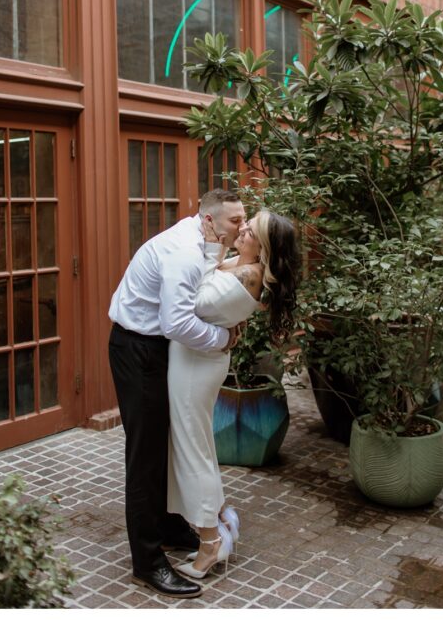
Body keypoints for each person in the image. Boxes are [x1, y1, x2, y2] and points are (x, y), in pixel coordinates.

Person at [108, 188, 246, 599]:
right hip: (138, 349)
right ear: (209, 220)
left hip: (159, 348)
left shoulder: (204, 241)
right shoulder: (183, 253)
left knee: (168, 445)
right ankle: (147, 562)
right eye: (235, 221)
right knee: (146, 455)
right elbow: (176, 323)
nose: (241, 226)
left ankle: (169, 527)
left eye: (244, 219)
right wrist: (222, 339)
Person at [166, 208, 301, 580]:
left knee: (191, 449)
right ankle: (223, 519)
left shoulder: (246, 274)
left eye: (250, 228)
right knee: (199, 446)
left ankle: (210, 542)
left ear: (264, 246)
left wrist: (206, 253)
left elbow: (191, 304)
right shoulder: (238, 263)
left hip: (196, 366)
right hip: (194, 360)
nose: (241, 229)